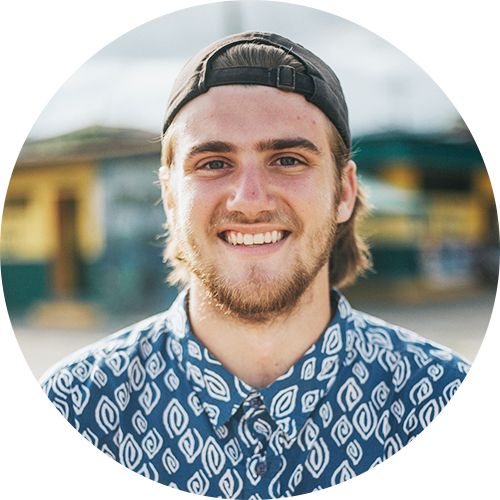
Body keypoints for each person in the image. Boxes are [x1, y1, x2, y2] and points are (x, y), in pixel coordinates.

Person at [6, 31, 500, 500]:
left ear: (344, 192)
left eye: (287, 159)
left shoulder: (450, 407)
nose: (249, 200)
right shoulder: (73, 410)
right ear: (170, 197)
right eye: (213, 163)